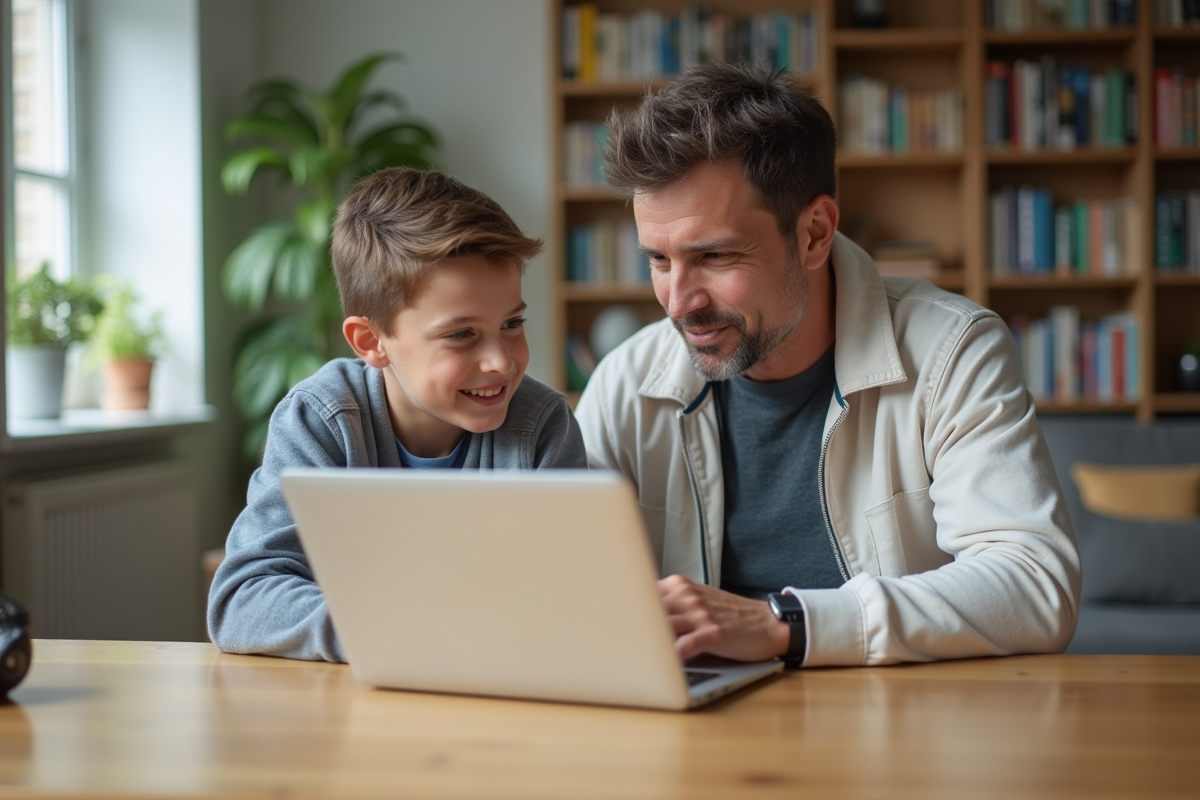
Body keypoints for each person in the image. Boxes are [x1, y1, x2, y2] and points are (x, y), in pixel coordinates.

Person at [575, 63, 1081, 668]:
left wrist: (786, 624)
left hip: (896, 732)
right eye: (658, 259)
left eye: (713, 255)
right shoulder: (625, 382)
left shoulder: (952, 351)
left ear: (814, 233)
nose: (678, 303)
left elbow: (1035, 583)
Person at [209, 167, 588, 662]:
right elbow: (242, 601)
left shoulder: (542, 424)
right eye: (461, 334)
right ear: (372, 342)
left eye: (512, 323)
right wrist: (406, 629)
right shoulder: (320, 420)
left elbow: (574, 600)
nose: (501, 360)